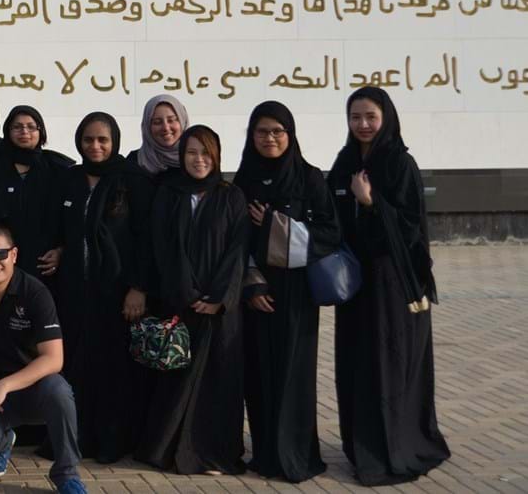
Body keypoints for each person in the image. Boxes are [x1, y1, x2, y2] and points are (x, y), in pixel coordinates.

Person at [328, 86, 450, 486]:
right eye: (355, 117)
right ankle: (361, 444)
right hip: (355, 285)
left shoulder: (399, 163)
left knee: (390, 363)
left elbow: (411, 228)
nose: (363, 125)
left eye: (371, 117)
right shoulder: (345, 161)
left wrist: (370, 203)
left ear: (386, 118)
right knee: (357, 363)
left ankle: (396, 444)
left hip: (393, 285)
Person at [235, 100, 341, 482]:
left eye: (278, 131)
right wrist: (252, 284)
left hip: (297, 295)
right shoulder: (243, 180)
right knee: (260, 374)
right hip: (256, 292)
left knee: (294, 374)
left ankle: (295, 455)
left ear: (290, 135)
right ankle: (266, 453)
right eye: (262, 131)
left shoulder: (309, 178)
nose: (270, 138)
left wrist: (274, 225)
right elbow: (234, 240)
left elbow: (330, 233)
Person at [137, 127, 247, 476]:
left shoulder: (231, 196)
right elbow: (162, 247)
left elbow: (237, 250)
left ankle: (213, 454)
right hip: (179, 304)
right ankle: (168, 450)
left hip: (219, 311)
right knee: (177, 381)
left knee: (217, 382)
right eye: (191, 153)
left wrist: (218, 297)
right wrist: (186, 293)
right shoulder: (170, 194)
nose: (199, 160)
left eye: (205, 153)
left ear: (216, 156)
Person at [0, 224, 84, 494]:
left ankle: (67, 473)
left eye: (0, 253)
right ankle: (2, 444)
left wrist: (5, 385)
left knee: (59, 391)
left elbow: (54, 359)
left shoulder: (35, 292)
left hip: (33, 387)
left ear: (14, 255)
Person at [55, 112, 153, 464]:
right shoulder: (71, 179)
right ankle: (77, 438)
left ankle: (112, 441)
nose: (95, 146)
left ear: (115, 142)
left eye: (102, 140)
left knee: (113, 370)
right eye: (88, 140)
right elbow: (64, 228)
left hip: (116, 293)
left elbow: (146, 240)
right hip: (76, 291)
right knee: (78, 365)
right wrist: (60, 250)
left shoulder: (132, 180)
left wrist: (138, 288)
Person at [0, 105, 68, 285]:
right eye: (17, 127)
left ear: (41, 131)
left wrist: (61, 251)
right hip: (1, 264)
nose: (24, 132)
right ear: (8, 131)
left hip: (45, 265)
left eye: (31, 127)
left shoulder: (58, 169)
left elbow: (71, 220)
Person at [128, 94, 189, 180]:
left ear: (183, 121)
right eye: (157, 122)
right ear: (147, 127)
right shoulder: (134, 162)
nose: (166, 128)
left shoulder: (195, 160)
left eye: (171, 120)